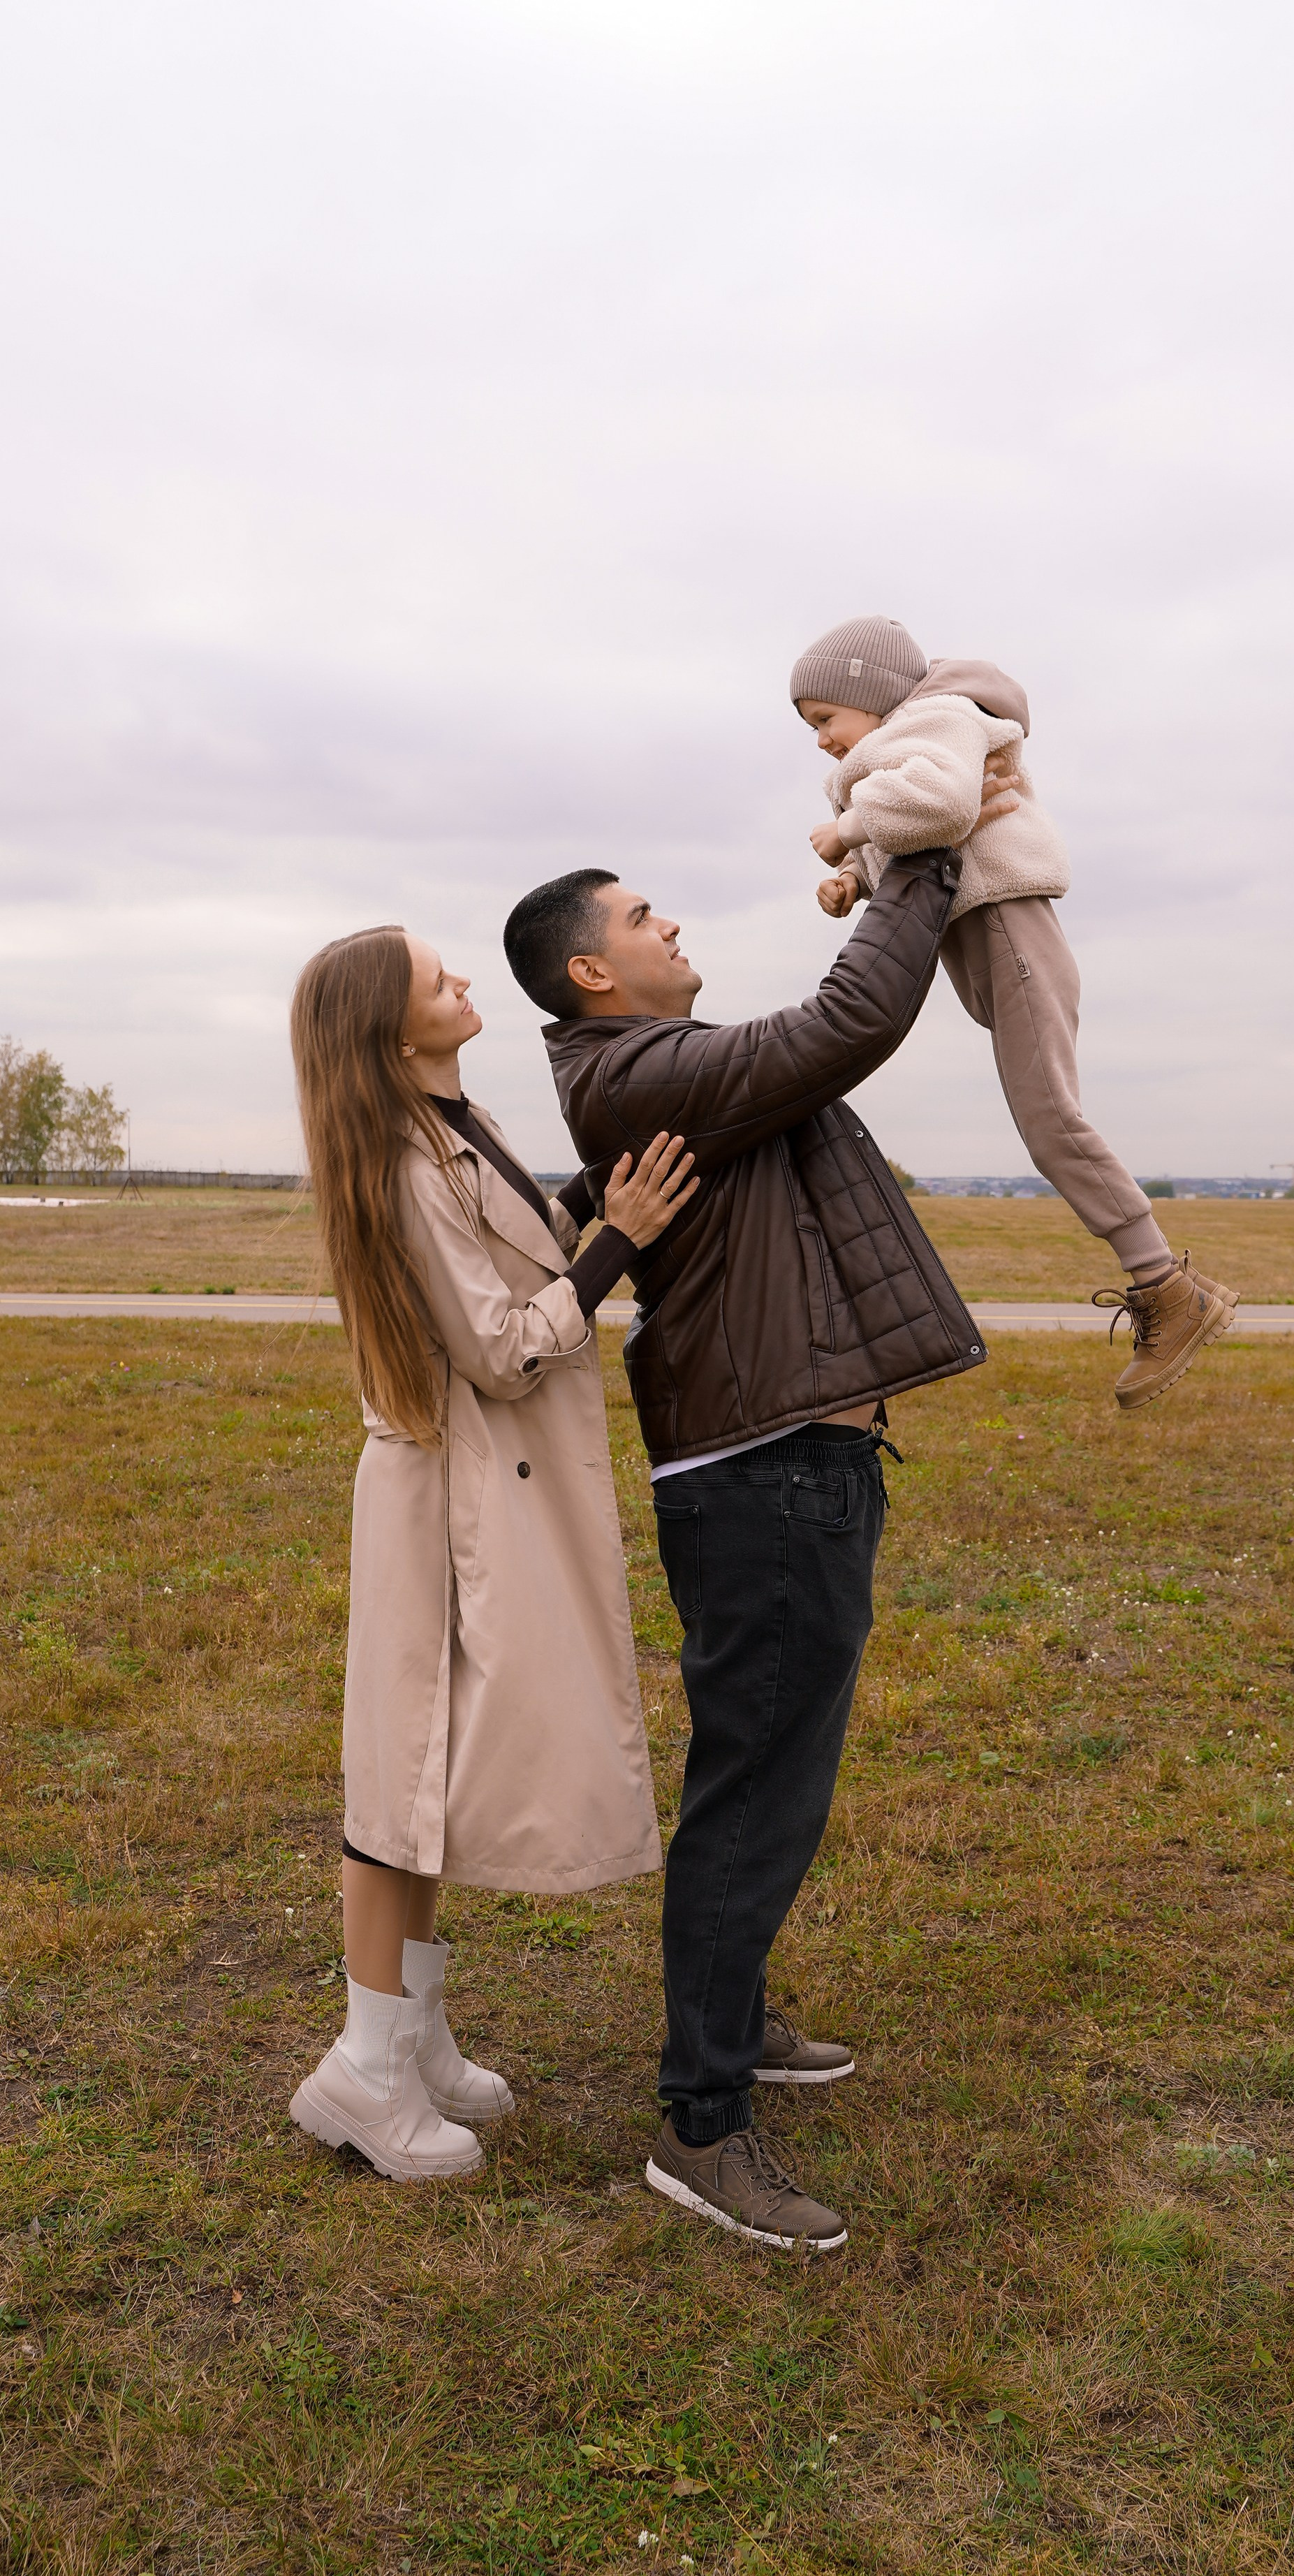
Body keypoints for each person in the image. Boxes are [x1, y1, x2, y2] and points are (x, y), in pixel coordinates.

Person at [502, 850, 987, 2252]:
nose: (672, 922)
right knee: (754, 1791)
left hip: (790, 1463)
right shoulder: (639, 1072)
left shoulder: (667, 1062)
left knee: (777, 1776)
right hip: (765, 1476)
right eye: (644, 916)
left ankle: (737, 2017)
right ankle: (702, 2125)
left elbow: (810, 1063)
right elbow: (847, 1025)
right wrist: (924, 862)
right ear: (594, 969)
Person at [286, 921, 696, 2181]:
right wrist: (615, 1242)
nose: (463, 982)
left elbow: (510, 1247)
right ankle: (361, 2070)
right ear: (393, 1030)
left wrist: (582, 1201)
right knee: (398, 1778)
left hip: (474, 1484)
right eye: (437, 979)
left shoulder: (458, 1129)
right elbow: (505, 1347)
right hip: (441, 1494)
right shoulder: (412, 1162)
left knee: (433, 1768)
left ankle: (409, 2035)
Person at [794, 615, 1237, 1410]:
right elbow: (929, 826)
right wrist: (855, 879)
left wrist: (850, 828)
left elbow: (936, 800)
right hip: (990, 931)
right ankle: (1172, 1285)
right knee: (1046, 1118)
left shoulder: (933, 717)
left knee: (1051, 1124)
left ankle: (1168, 1291)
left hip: (1009, 926)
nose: (821, 740)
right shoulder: (914, 737)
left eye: (825, 718)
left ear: (871, 691)